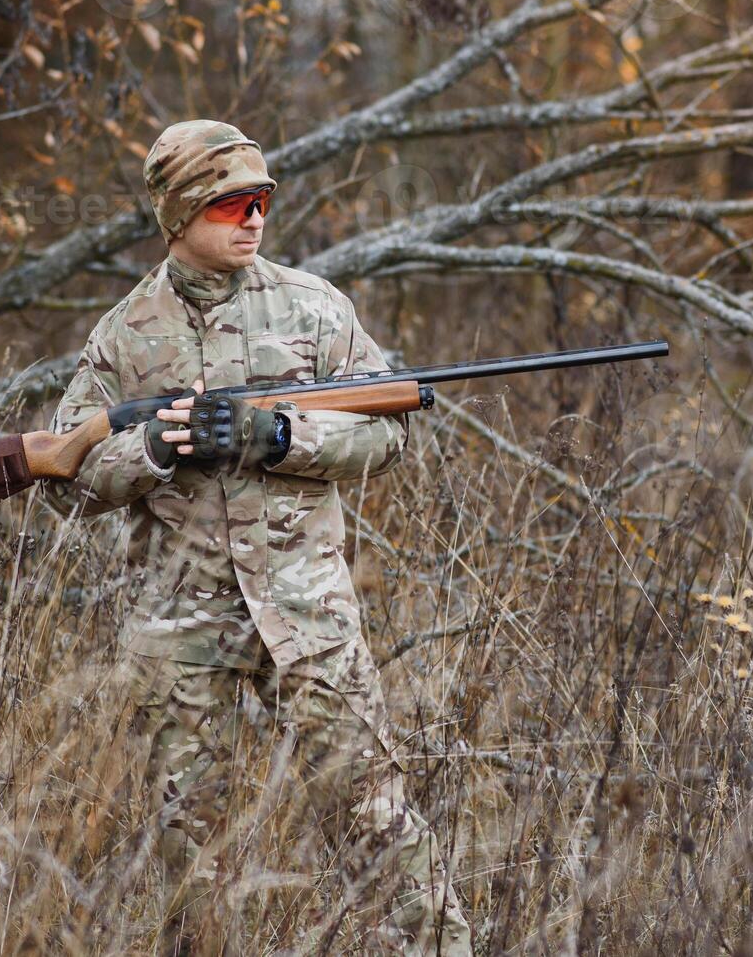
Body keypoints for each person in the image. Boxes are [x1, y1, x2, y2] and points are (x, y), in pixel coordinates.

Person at [40, 120, 471, 955]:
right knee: (187, 856)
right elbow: (70, 477)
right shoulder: (123, 335)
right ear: (178, 217)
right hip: (179, 629)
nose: (253, 217)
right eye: (232, 202)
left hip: (307, 612)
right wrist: (155, 448)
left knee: (378, 821)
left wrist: (278, 439)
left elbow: (387, 434)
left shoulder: (315, 308)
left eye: (263, 200)